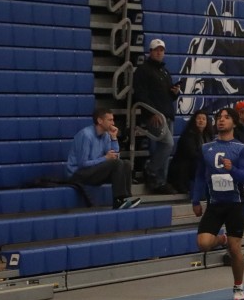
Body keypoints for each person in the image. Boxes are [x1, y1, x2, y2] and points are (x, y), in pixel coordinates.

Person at [192, 107, 244, 300]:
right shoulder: (206, 148)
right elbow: (199, 176)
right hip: (215, 203)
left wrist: (231, 169)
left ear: (234, 123)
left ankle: (238, 286)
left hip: (235, 203)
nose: (221, 120)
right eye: (218, 117)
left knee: (235, 250)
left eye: (226, 118)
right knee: (203, 243)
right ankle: (222, 239)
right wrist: (196, 200)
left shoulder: (241, 149)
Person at [65, 108, 140, 210]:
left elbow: (115, 156)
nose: (113, 123)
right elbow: (82, 164)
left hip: (93, 172)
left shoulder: (106, 135)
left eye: (113, 120)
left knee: (126, 163)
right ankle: (118, 201)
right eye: (110, 120)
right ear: (100, 120)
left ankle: (126, 198)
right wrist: (105, 158)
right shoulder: (86, 135)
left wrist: (114, 138)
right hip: (78, 174)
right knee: (116, 164)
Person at [132, 38, 179, 194]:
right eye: (156, 50)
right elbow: (140, 94)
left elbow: (167, 95)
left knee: (165, 148)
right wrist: (151, 113)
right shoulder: (143, 71)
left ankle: (160, 182)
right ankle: (150, 169)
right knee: (167, 144)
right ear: (150, 52)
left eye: (161, 50)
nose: (159, 53)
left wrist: (175, 93)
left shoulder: (164, 72)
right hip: (155, 116)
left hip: (167, 114)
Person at [168, 110, 212, 196]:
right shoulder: (188, 135)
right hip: (184, 168)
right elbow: (192, 154)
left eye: (204, 119)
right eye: (199, 118)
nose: (201, 121)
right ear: (194, 120)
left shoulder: (208, 135)